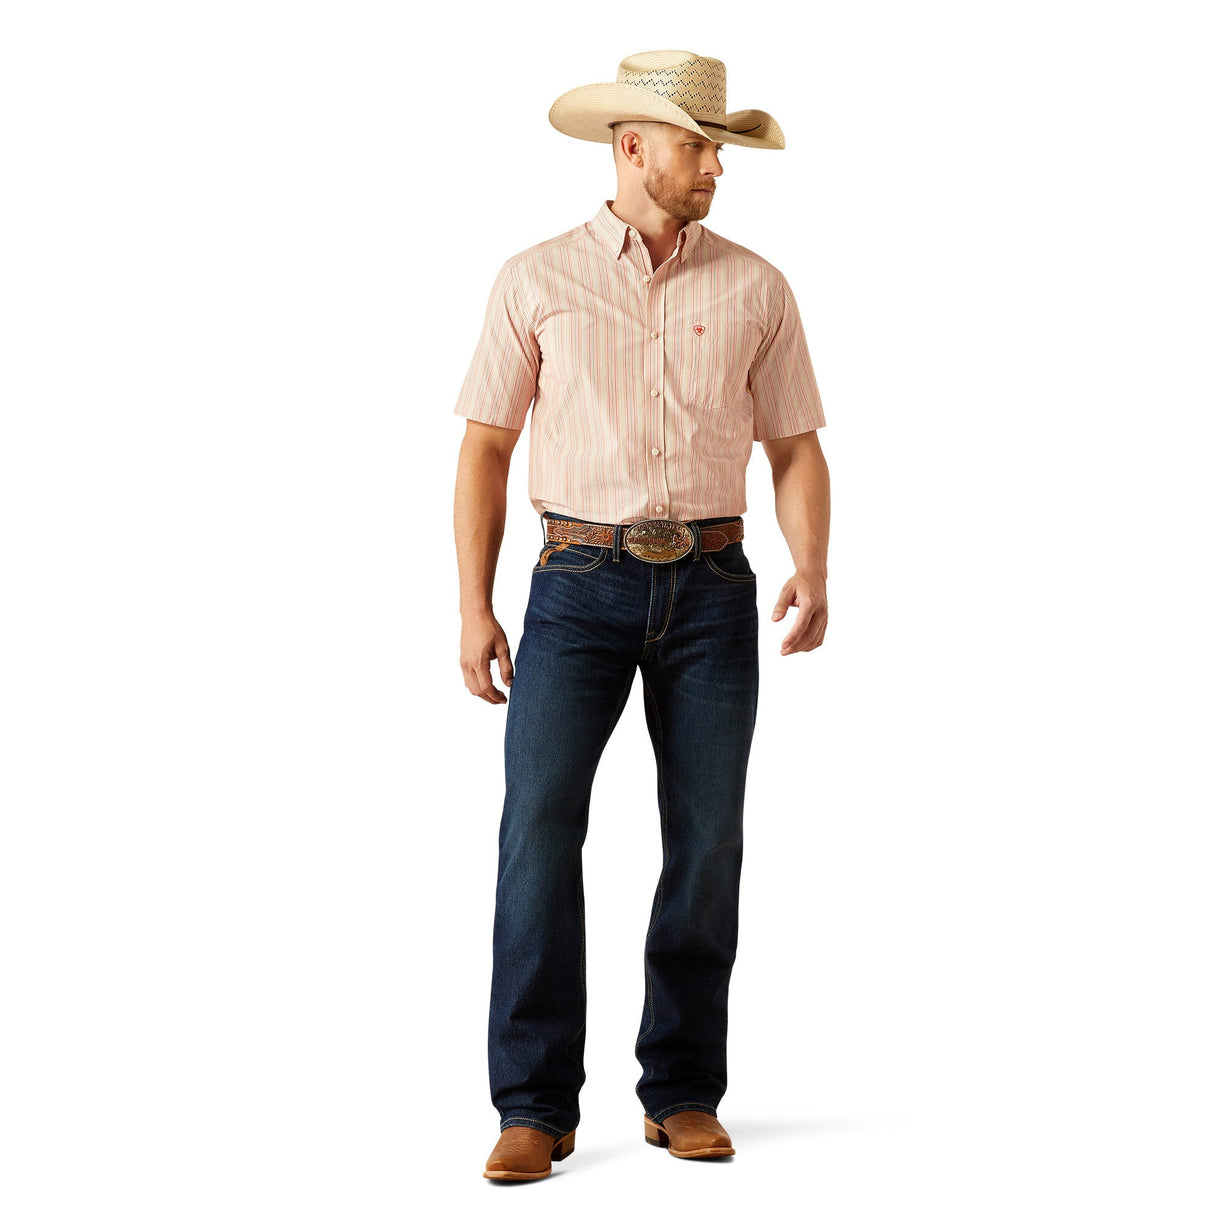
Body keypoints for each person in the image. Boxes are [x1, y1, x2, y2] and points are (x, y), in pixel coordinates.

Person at [451, 50, 831, 1181]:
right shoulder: (534, 279)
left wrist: (812, 562)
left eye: (720, 146)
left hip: (715, 589)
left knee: (707, 844)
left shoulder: (758, 285)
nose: (716, 164)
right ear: (632, 147)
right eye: (699, 145)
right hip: (575, 584)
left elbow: (795, 443)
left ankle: (682, 1089)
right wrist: (472, 605)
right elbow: (485, 445)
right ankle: (533, 1103)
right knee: (537, 833)